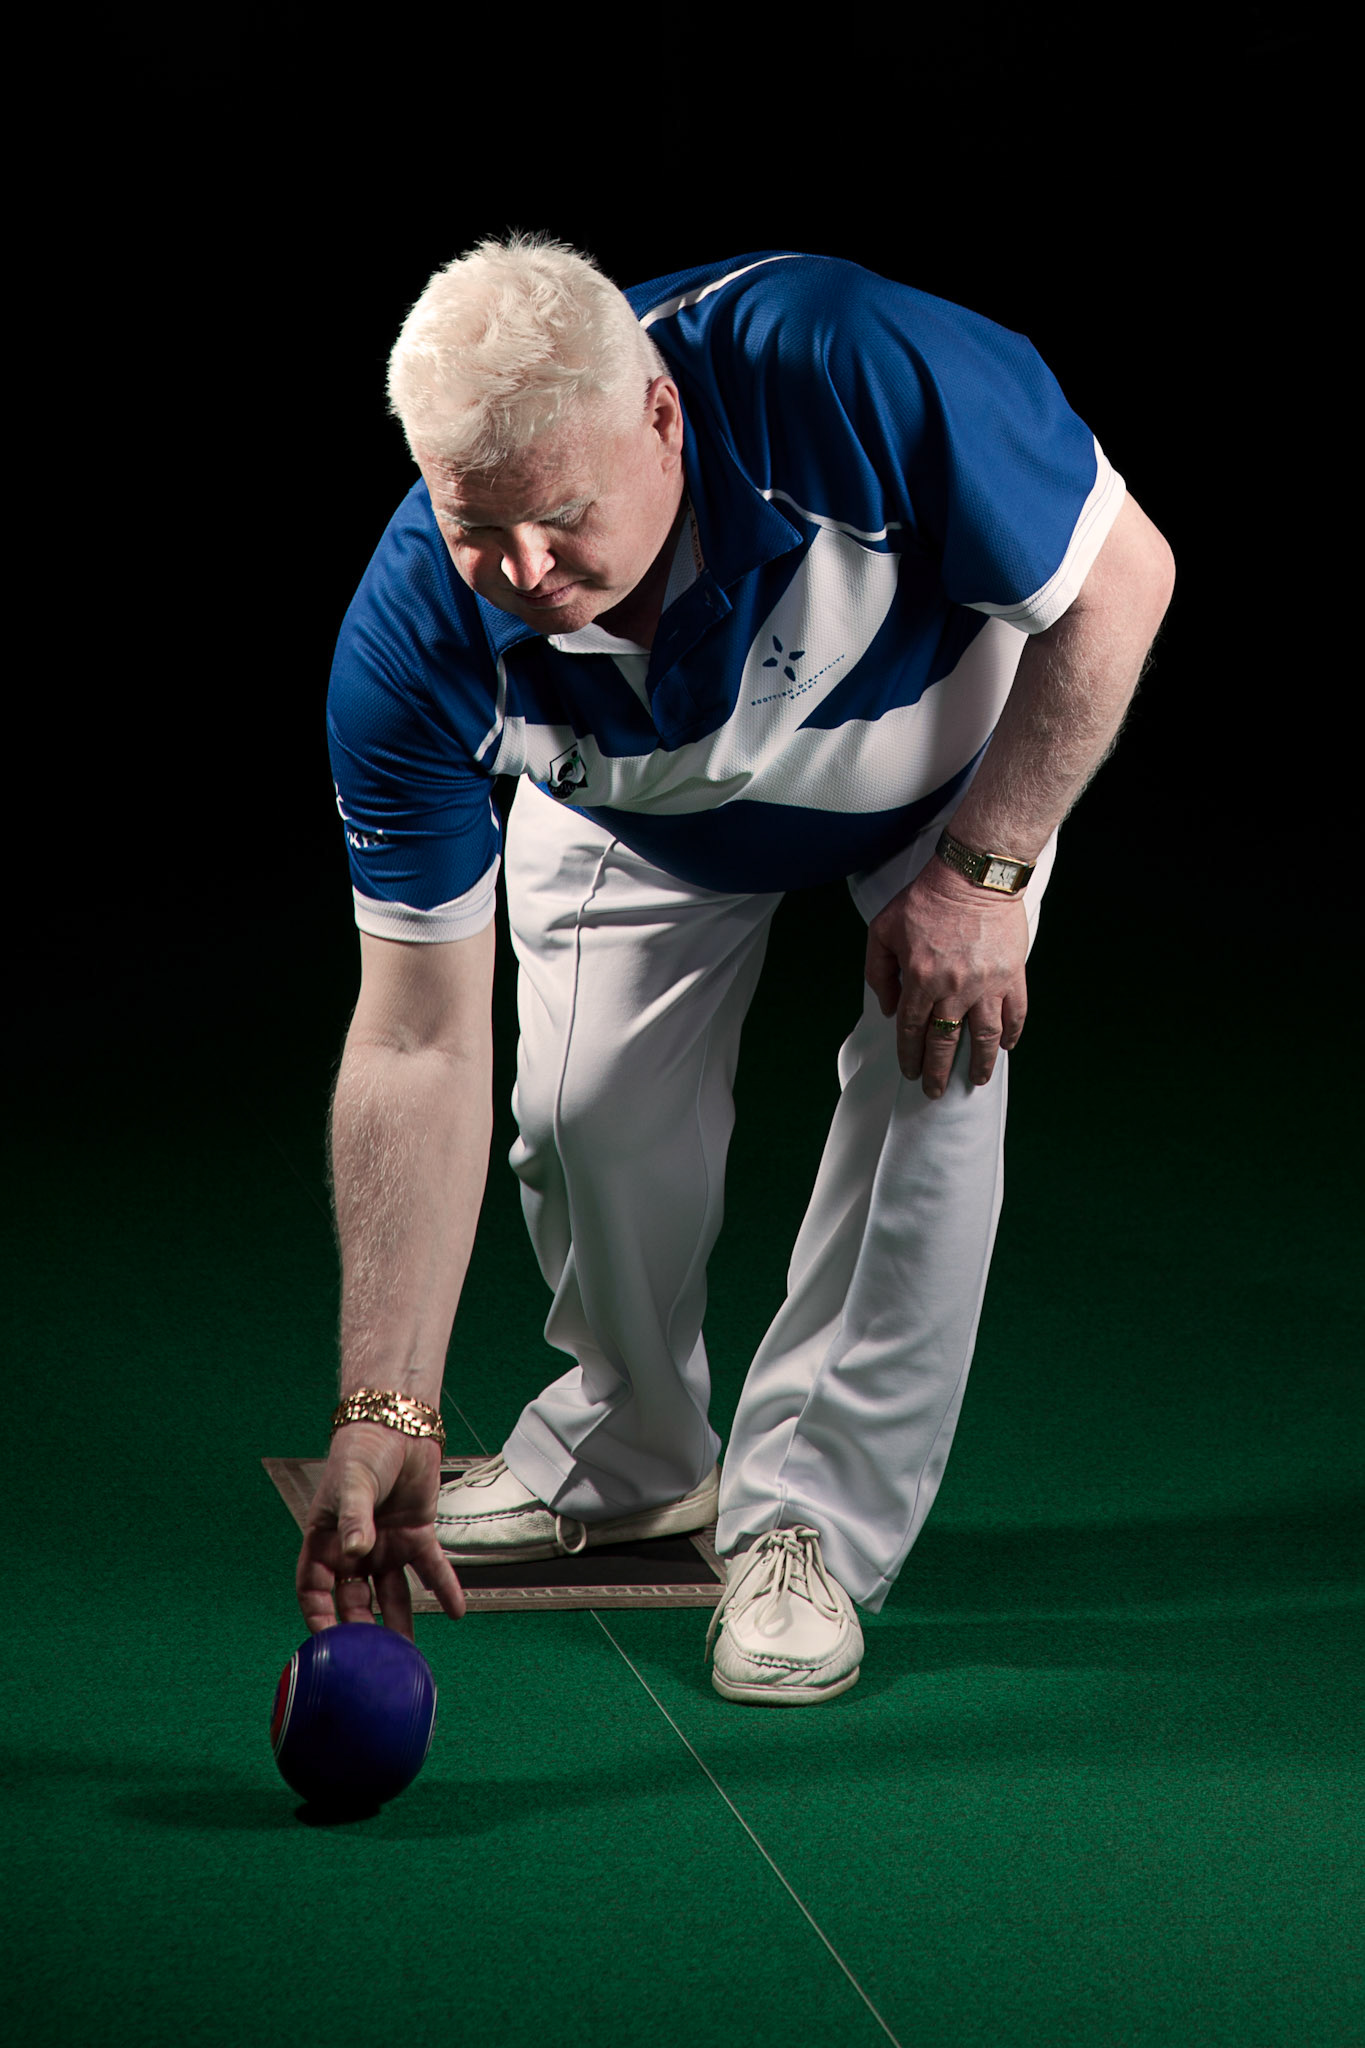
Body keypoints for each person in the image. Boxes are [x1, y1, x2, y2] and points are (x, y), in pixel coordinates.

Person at [296, 235, 1175, 1704]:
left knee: (936, 1085)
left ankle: (805, 1530)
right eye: (477, 529)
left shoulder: (843, 364)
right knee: (577, 1121)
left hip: (940, 786)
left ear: (658, 418)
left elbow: (1123, 579)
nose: (523, 575)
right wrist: (385, 1399)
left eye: (562, 517)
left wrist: (989, 867)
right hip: (636, 819)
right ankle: (626, 1451)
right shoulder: (409, 639)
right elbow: (414, 1044)